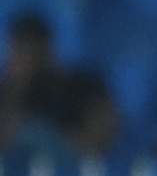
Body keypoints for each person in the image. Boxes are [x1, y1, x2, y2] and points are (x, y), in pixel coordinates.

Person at [0, 14, 118, 156]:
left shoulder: (82, 86)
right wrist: (17, 88)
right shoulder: (8, 94)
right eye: (21, 54)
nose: (28, 62)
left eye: (33, 53)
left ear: (48, 52)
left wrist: (56, 145)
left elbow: (107, 134)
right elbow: (7, 142)